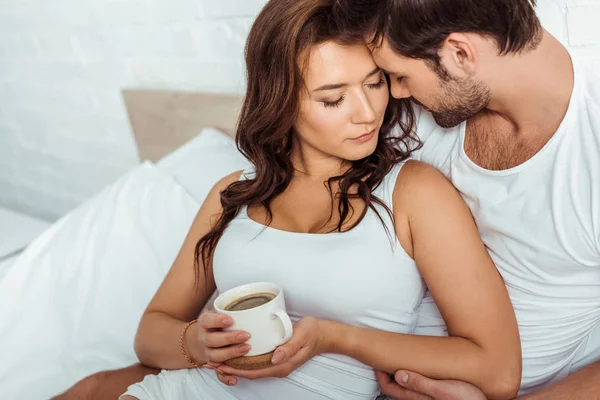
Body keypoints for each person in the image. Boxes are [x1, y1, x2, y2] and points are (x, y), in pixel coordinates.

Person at [62, 0, 523, 399]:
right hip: (190, 389)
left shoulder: (414, 193)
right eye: (332, 99)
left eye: (375, 83)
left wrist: (335, 338)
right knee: (88, 388)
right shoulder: (231, 195)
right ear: (281, 100)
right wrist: (197, 344)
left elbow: (497, 370)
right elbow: (151, 334)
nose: (368, 113)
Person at [327, 0, 600, 399]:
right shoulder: (416, 110)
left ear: (460, 54)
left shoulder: (589, 146)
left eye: (399, 75)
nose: (394, 91)